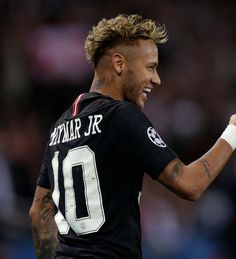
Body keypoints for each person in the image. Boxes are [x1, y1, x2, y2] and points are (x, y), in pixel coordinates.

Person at [29, 14, 236, 259]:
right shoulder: (120, 115)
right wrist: (232, 131)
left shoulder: (60, 127)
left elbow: (38, 212)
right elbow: (190, 184)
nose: (156, 79)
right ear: (119, 63)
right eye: (150, 67)